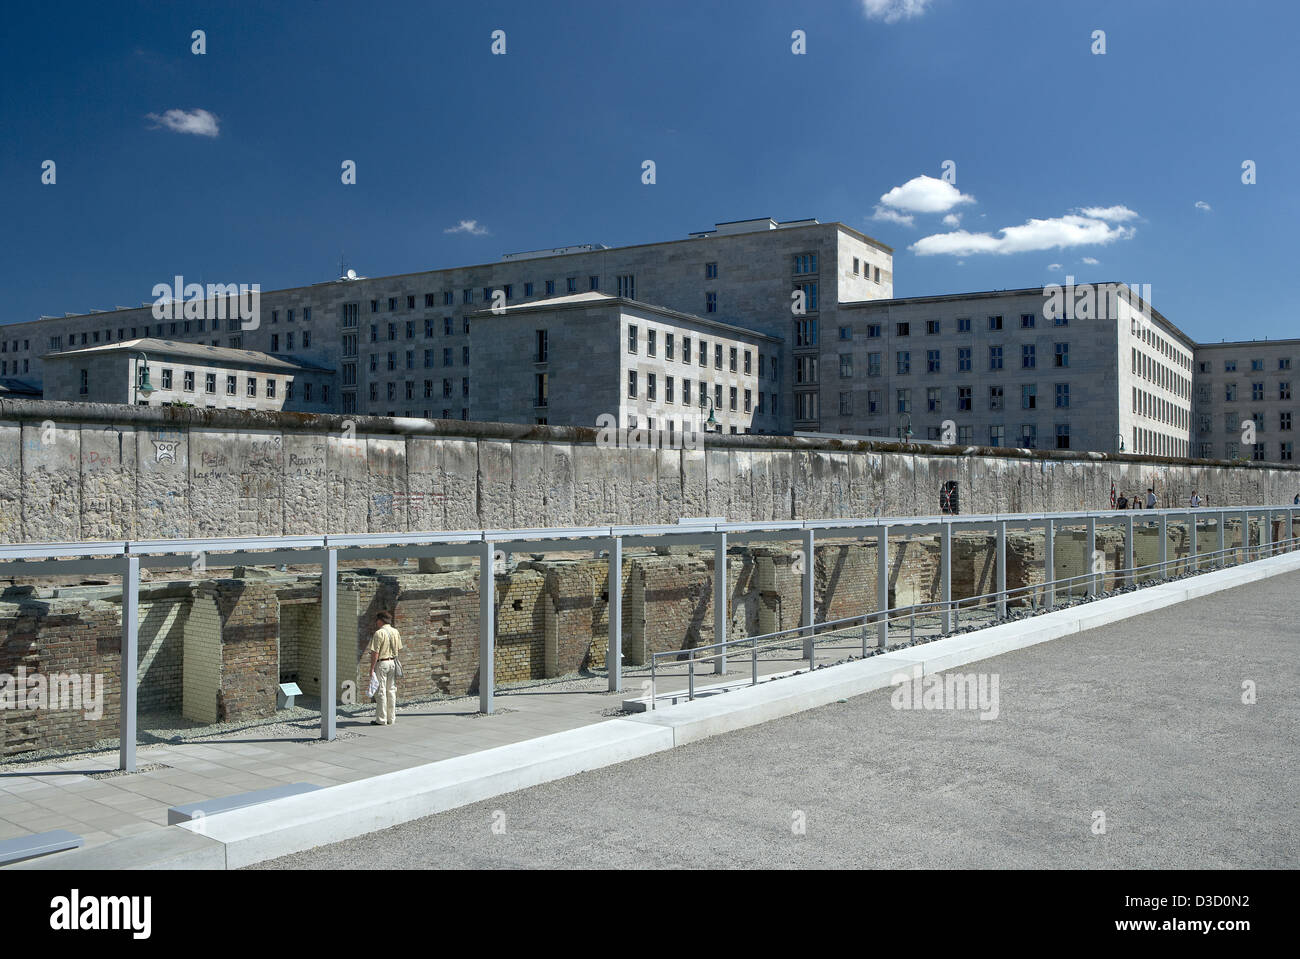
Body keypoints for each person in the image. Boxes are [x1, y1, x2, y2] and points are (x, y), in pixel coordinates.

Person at [367, 611, 404, 726]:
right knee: (391, 690)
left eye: (377, 620)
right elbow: (399, 649)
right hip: (392, 662)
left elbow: (375, 653)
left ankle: (381, 719)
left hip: (382, 664)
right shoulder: (395, 631)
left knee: (381, 692)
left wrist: (372, 668)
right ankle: (391, 718)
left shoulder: (379, 633)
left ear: (380, 620)